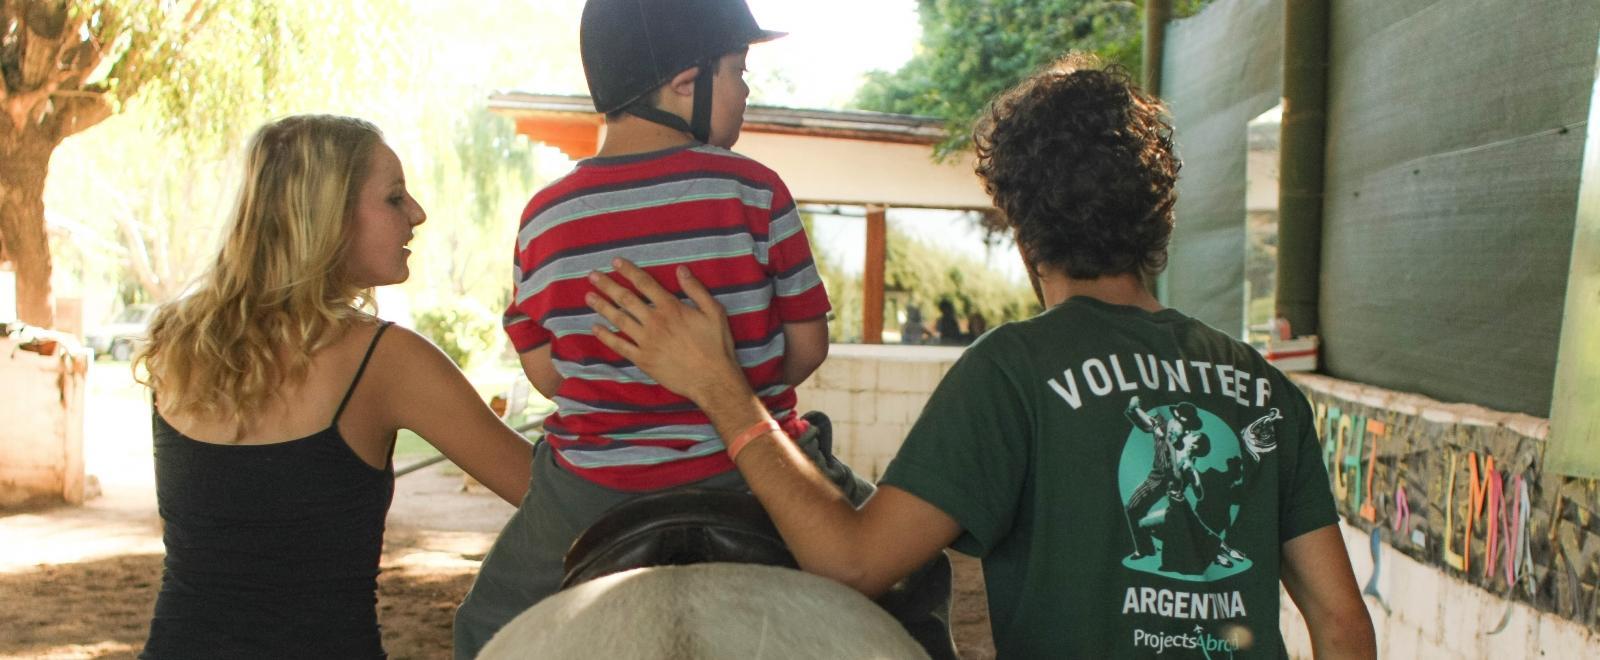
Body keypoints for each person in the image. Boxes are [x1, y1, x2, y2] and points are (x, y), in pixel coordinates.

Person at [582, 55, 1377, 658]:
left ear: (1021, 226)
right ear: (1157, 216)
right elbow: (1341, 623)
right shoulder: (1262, 387)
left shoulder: (1015, 372)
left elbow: (855, 564)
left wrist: (721, 389)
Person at [453, 1, 955, 657]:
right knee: (918, 574)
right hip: (755, 473)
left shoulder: (545, 218)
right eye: (739, 71)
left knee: (480, 627)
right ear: (686, 81)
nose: (747, 92)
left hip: (591, 490)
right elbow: (807, 348)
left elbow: (548, 374)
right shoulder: (755, 191)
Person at [134, 114, 535, 659]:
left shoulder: (176, 346)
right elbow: (551, 498)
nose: (417, 214)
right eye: (395, 198)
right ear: (327, 217)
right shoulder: (386, 361)